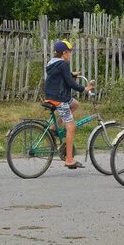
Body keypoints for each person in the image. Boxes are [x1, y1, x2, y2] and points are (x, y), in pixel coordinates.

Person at [44, 39, 95, 169]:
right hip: (60, 99)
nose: (70, 55)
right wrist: (85, 89)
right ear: (64, 53)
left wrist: (70, 74)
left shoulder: (52, 62)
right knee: (71, 128)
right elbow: (70, 84)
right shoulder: (63, 64)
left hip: (51, 96)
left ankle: (54, 128)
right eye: (70, 52)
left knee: (75, 104)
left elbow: (58, 75)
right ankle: (69, 159)